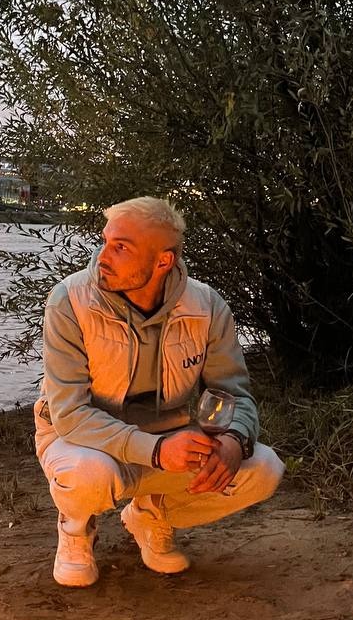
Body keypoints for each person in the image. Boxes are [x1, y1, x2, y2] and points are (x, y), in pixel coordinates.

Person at [34, 196, 284, 586]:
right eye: (105, 242)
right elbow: (70, 413)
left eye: (121, 248)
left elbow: (234, 394)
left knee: (263, 469)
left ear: (163, 261)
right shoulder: (70, 301)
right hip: (83, 440)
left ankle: (150, 515)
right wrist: (155, 451)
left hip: (166, 437)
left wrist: (235, 441)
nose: (103, 256)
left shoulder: (207, 307)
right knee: (89, 473)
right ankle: (76, 528)